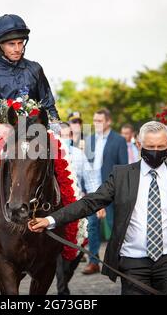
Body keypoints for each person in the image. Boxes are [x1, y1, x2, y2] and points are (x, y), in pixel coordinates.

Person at [29, 121, 167, 295]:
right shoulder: (122, 175)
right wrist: (50, 220)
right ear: (139, 145)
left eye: (161, 146)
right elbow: (91, 202)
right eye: (151, 146)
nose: (156, 151)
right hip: (132, 263)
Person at [0, 14, 60, 139]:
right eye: (11, 44)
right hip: (2, 133)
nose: (18, 49)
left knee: (64, 156)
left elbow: (48, 104)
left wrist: (57, 130)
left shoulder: (35, 69)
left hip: (35, 132)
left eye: (20, 43)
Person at [56, 122, 101, 295]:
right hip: (55, 211)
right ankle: (62, 289)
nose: (66, 139)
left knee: (76, 250)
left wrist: (98, 204)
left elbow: (90, 180)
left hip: (78, 208)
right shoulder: (47, 157)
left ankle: (65, 278)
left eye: (69, 136)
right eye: (63, 136)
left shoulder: (79, 155)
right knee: (59, 252)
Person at [83, 108, 128, 274]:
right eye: (94, 121)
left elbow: (123, 167)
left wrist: (120, 191)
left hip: (111, 190)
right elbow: (85, 166)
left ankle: (118, 261)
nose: (96, 124)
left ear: (108, 121)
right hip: (92, 190)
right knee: (92, 227)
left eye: (100, 121)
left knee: (114, 226)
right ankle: (93, 261)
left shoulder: (119, 140)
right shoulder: (89, 140)